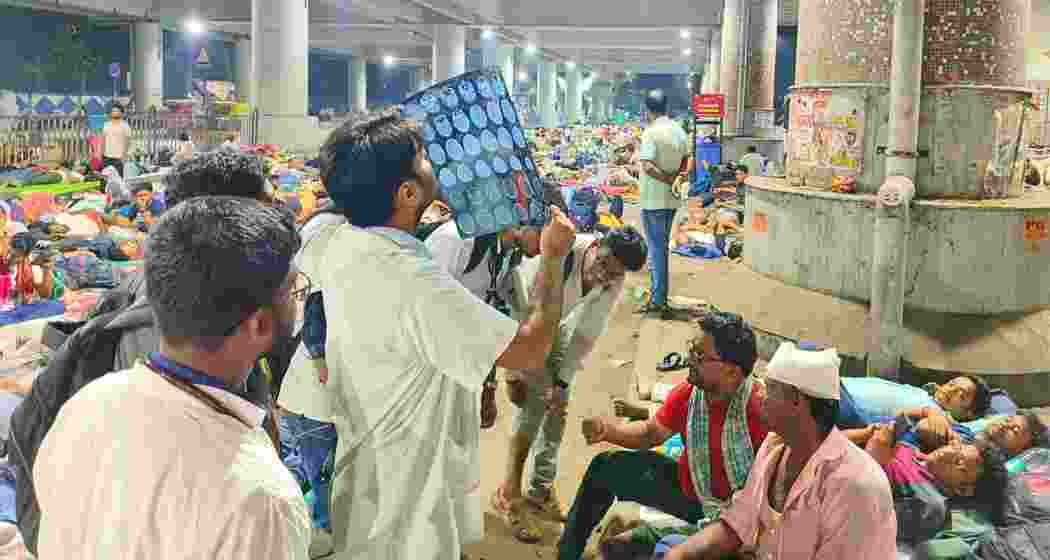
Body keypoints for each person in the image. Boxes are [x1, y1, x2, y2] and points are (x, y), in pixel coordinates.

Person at [316, 108, 576, 560]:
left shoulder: (346, 242)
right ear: (407, 192)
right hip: (408, 492)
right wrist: (553, 258)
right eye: (424, 157)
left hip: (375, 462)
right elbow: (530, 350)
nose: (437, 162)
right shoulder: (413, 280)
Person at [33, 196, 311, 559]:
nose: (299, 301)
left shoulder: (85, 406)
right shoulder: (259, 499)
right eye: (294, 292)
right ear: (259, 324)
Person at [558, 311, 768, 560]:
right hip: (692, 494)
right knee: (605, 467)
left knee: (627, 547)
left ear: (731, 372)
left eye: (699, 355)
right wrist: (609, 432)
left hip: (737, 520)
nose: (690, 359)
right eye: (691, 349)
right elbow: (653, 432)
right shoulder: (691, 394)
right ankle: (567, 555)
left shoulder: (762, 412)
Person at [661, 342, 896, 560]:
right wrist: (679, 555)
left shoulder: (855, 485)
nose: (759, 394)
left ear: (796, 401)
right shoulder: (774, 447)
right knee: (670, 547)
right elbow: (737, 524)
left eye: (770, 388)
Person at [494, 227, 648, 543]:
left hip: (556, 324)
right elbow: (517, 307)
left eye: (614, 273)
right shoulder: (562, 251)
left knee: (558, 406)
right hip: (524, 319)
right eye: (603, 263)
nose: (604, 275)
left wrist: (562, 381)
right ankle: (509, 494)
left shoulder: (613, 278)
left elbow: (587, 332)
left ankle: (539, 490)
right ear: (597, 245)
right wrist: (513, 372)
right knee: (532, 407)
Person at [425, 220, 543, 429]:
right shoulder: (456, 240)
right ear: (526, 221)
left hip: (457, 366)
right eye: (544, 237)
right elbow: (421, 309)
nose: (544, 248)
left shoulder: (509, 256)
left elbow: (491, 317)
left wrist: (488, 386)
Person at [859, 417, 1010, 542]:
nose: (947, 454)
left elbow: (867, 522)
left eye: (958, 463)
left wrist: (873, 459)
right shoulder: (916, 450)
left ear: (962, 489)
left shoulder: (930, 505)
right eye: (957, 448)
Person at [637, 90, 689, 319]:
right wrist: (678, 177)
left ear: (647, 110)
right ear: (666, 107)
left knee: (657, 249)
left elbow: (647, 165)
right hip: (672, 199)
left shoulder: (651, 132)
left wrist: (668, 179)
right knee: (660, 246)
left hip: (653, 200)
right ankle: (657, 293)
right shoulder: (679, 130)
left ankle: (659, 300)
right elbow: (687, 158)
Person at [837, 373, 993, 427]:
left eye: (961, 395)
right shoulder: (924, 395)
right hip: (839, 384)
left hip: (845, 404)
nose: (950, 390)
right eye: (952, 384)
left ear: (969, 413)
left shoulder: (938, 419)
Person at [101, 103, 132, 178]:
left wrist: (124, 156)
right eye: (113, 111)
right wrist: (102, 154)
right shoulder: (106, 125)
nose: (115, 113)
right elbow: (103, 140)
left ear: (121, 113)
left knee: (118, 179)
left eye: (117, 111)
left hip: (118, 158)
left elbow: (127, 142)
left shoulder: (125, 126)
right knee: (106, 178)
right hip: (107, 157)